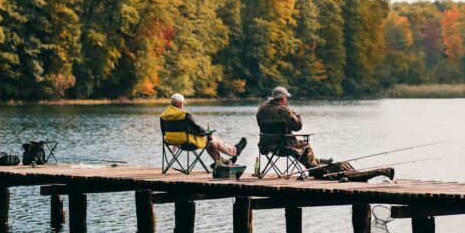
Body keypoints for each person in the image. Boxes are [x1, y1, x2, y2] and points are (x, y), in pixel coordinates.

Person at [256, 86, 394, 181]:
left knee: (302, 148)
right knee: (306, 145)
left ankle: (318, 164)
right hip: (283, 146)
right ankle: (315, 167)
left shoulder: (261, 109)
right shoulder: (283, 110)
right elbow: (298, 127)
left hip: (266, 146)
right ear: (282, 98)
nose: (286, 100)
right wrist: (294, 113)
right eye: (286, 98)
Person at [161, 93, 247, 166]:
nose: (183, 105)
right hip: (188, 143)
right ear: (180, 104)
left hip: (172, 142)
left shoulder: (163, 115)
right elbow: (197, 129)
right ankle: (235, 150)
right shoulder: (184, 115)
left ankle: (222, 162)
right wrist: (206, 132)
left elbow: (163, 132)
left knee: (210, 142)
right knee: (212, 139)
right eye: (183, 103)